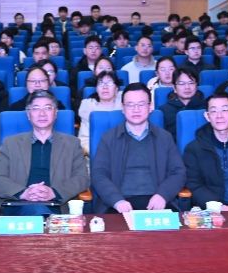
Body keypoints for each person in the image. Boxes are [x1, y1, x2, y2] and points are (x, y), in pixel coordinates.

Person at [0, 90, 91, 216]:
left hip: (58, 206)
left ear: (55, 113)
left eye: (47, 108)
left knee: (39, 212)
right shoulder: (11, 143)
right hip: (19, 205)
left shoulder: (72, 144)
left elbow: (82, 178)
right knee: (36, 211)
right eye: (36, 108)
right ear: (28, 114)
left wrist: (54, 192)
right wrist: (24, 193)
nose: (42, 113)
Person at [91, 83, 186, 214]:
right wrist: (116, 200)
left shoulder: (164, 138)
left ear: (150, 107)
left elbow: (178, 172)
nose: (136, 110)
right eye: (130, 105)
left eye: (141, 104)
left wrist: (163, 195)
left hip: (157, 203)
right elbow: (99, 174)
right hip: (119, 204)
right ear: (123, 108)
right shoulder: (109, 138)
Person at [77, 69, 122, 153]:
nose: (105, 87)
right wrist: (99, 153)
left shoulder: (124, 106)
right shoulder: (89, 108)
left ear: (116, 89)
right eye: (101, 83)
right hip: (96, 154)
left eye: (109, 83)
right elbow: (84, 140)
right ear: (96, 89)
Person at [159, 67, 206, 138]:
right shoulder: (164, 110)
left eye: (191, 83)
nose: (187, 87)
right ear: (174, 88)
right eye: (181, 84)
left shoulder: (206, 107)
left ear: (196, 86)